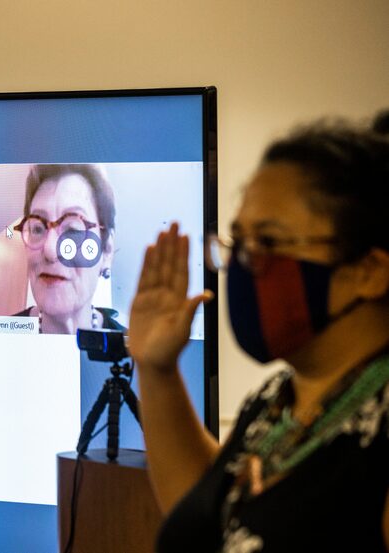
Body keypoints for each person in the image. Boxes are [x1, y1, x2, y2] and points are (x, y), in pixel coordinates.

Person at [128, 119, 389, 552]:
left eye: (269, 240)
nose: (247, 264)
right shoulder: (276, 400)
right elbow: (214, 519)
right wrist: (156, 369)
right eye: (239, 240)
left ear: (368, 273)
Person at [12, 164, 119, 334]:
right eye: (38, 229)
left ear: (106, 250)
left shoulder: (137, 353)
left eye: (73, 231)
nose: (50, 250)